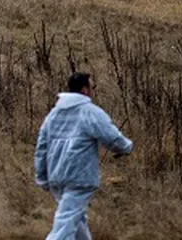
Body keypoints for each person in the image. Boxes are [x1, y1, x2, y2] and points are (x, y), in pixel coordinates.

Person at [35, 72, 133, 240]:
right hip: (79, 177)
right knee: (64, 226)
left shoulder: (53, 114)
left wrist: (42, 176)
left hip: (56, 177)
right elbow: (112, 137)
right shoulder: (89, 112)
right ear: (85, 90)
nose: (93, 90)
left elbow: (41, 148)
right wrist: (126, 147)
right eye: (92, 86)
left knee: (76, 221)